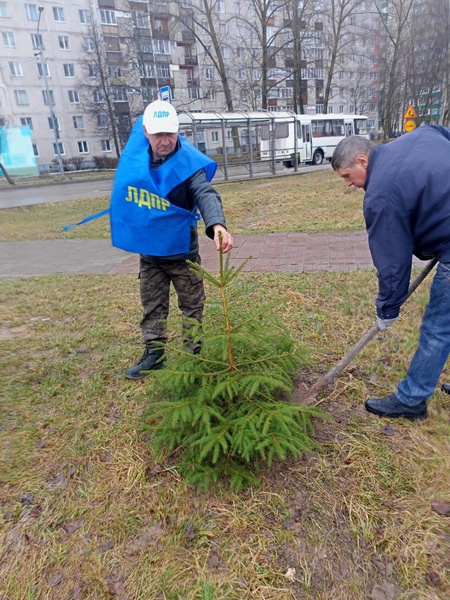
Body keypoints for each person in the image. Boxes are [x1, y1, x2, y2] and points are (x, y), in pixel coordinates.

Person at [109, 100, 233, 379]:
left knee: (192, 306)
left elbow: (205, 193)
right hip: (150, 254)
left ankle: (193, 355)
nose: (165, 141)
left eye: (170, 133)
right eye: (158, 134)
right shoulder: (136, 159)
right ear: (145, 131)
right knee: (152, 306)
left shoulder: (189, 163)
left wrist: (217, 224)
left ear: (178, 130)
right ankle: (155, 355)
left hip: (182, 254)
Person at [331, 127, 450, 419]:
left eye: (347, 176)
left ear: (362, 160)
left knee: (438, 327)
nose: (348, 185)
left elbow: (392, 263)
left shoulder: (381, 195)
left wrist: (387, 308)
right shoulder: (422, 135)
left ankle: (412, 400)